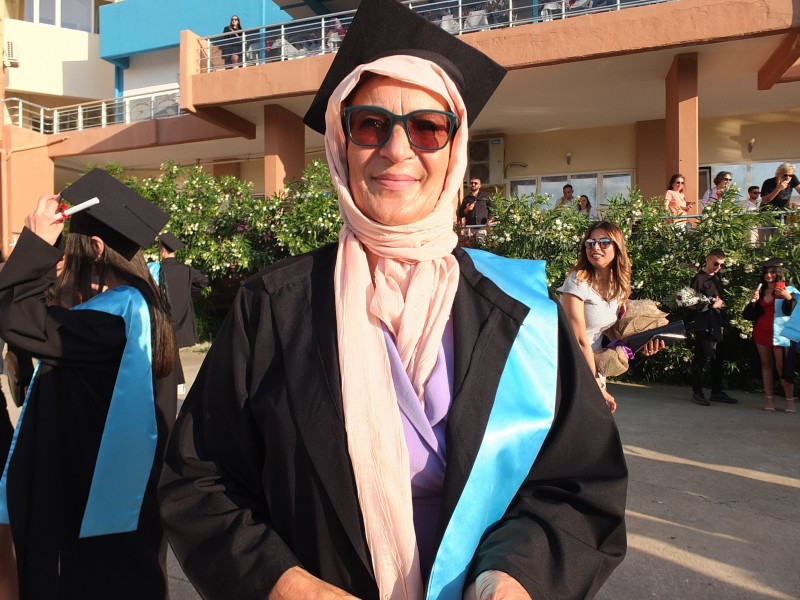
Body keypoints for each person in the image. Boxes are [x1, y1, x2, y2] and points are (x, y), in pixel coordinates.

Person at [158, 1, 628, 599]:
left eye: (428, 127)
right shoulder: (274, 308)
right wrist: (284, 585)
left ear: (456, 148)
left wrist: (518, 578)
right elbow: (200, 480)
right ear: (341, 143)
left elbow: (580, 485)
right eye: (370, 124)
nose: (397, 150)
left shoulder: (519, 311)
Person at [0, 168, 178, 599]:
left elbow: (14, 317)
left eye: (69, 246)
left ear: (95, 248)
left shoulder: (107, 323)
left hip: (87, 518)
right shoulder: (146, 313)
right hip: (129, 513)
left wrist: (36, 243)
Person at [742, 258, 797, 413]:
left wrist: (788, 297)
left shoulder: (789, 290)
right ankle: (769, 399)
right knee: (766, 365)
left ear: (778, 273)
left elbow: (795, 312)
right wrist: (753, 302)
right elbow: (749, 315)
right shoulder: (761, 291)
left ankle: (789, 401)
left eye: (772, 272)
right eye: (766, 272)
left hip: (781, 334)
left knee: (782, 367)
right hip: (762, 332)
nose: (768, 275)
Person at [689, 249, 738, 406]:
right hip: (705, 325)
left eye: (722, 265)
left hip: (718, 323)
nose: (718, 267)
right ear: (708, 259)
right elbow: (689, 303)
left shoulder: (716, 279)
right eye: (716, 263)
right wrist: (712, 305)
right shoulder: (699, 279)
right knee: (701, 358)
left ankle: (716, 391)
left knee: (718, 358)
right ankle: (697, 392)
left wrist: (720, 305)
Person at [150, 233, 209, 349]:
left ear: (162, 250)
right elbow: (204, 281)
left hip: (162, 323)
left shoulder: (156, 271)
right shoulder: (186, 270)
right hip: (183, 325)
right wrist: (188, 290)